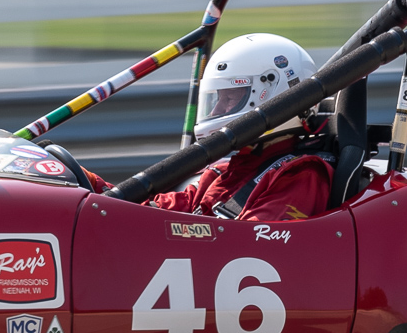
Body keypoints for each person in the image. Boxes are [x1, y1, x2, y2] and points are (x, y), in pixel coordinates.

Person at [89, 33, 333, 221]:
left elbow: (256, 247)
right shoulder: (222, 172)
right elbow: (148, 212)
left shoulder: (300, 175)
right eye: (218, 99)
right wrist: (88, 183)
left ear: (270, 93)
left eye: (230, 98)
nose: (217, 110)